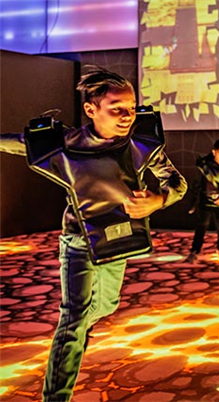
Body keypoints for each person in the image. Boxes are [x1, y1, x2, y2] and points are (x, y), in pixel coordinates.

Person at [0, 67, 188, 402]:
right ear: (91, 109)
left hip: (119, 240)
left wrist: (158, 199)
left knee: (104, 307)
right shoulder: (63, 144)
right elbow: (16, 144)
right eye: (117, 108)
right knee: (72, 318)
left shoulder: (141, 144)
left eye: (131, 108)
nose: (127, 116)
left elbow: (177, 183)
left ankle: (77, 332)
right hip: (78, 240)